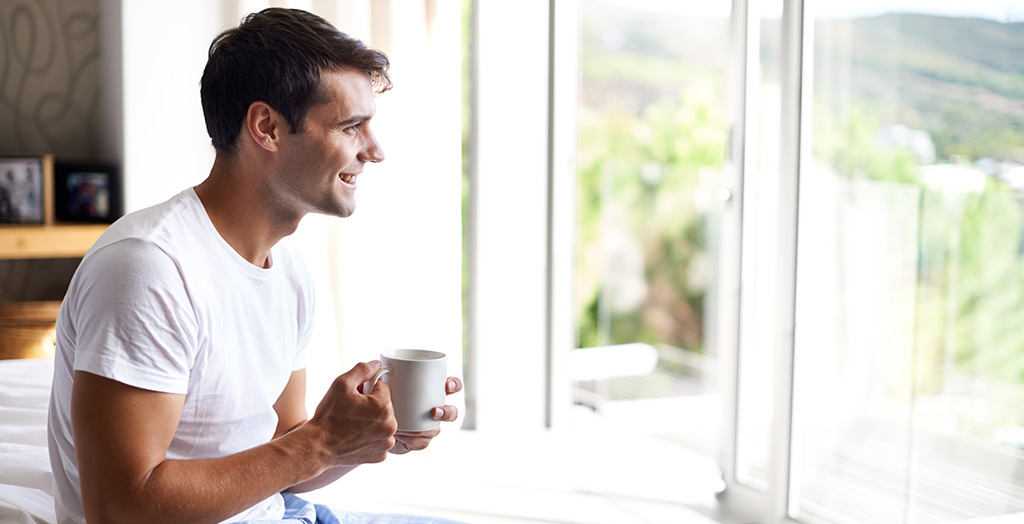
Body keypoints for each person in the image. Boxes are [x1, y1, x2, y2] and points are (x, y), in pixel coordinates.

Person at [46, 8, 463, 524]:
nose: (375, 151)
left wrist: (367, 436)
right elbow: (120, 507)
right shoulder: (147, 269)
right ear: (266, 127)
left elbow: (283, 453)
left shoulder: (286, 270)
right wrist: (322, 442)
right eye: (352, 126)